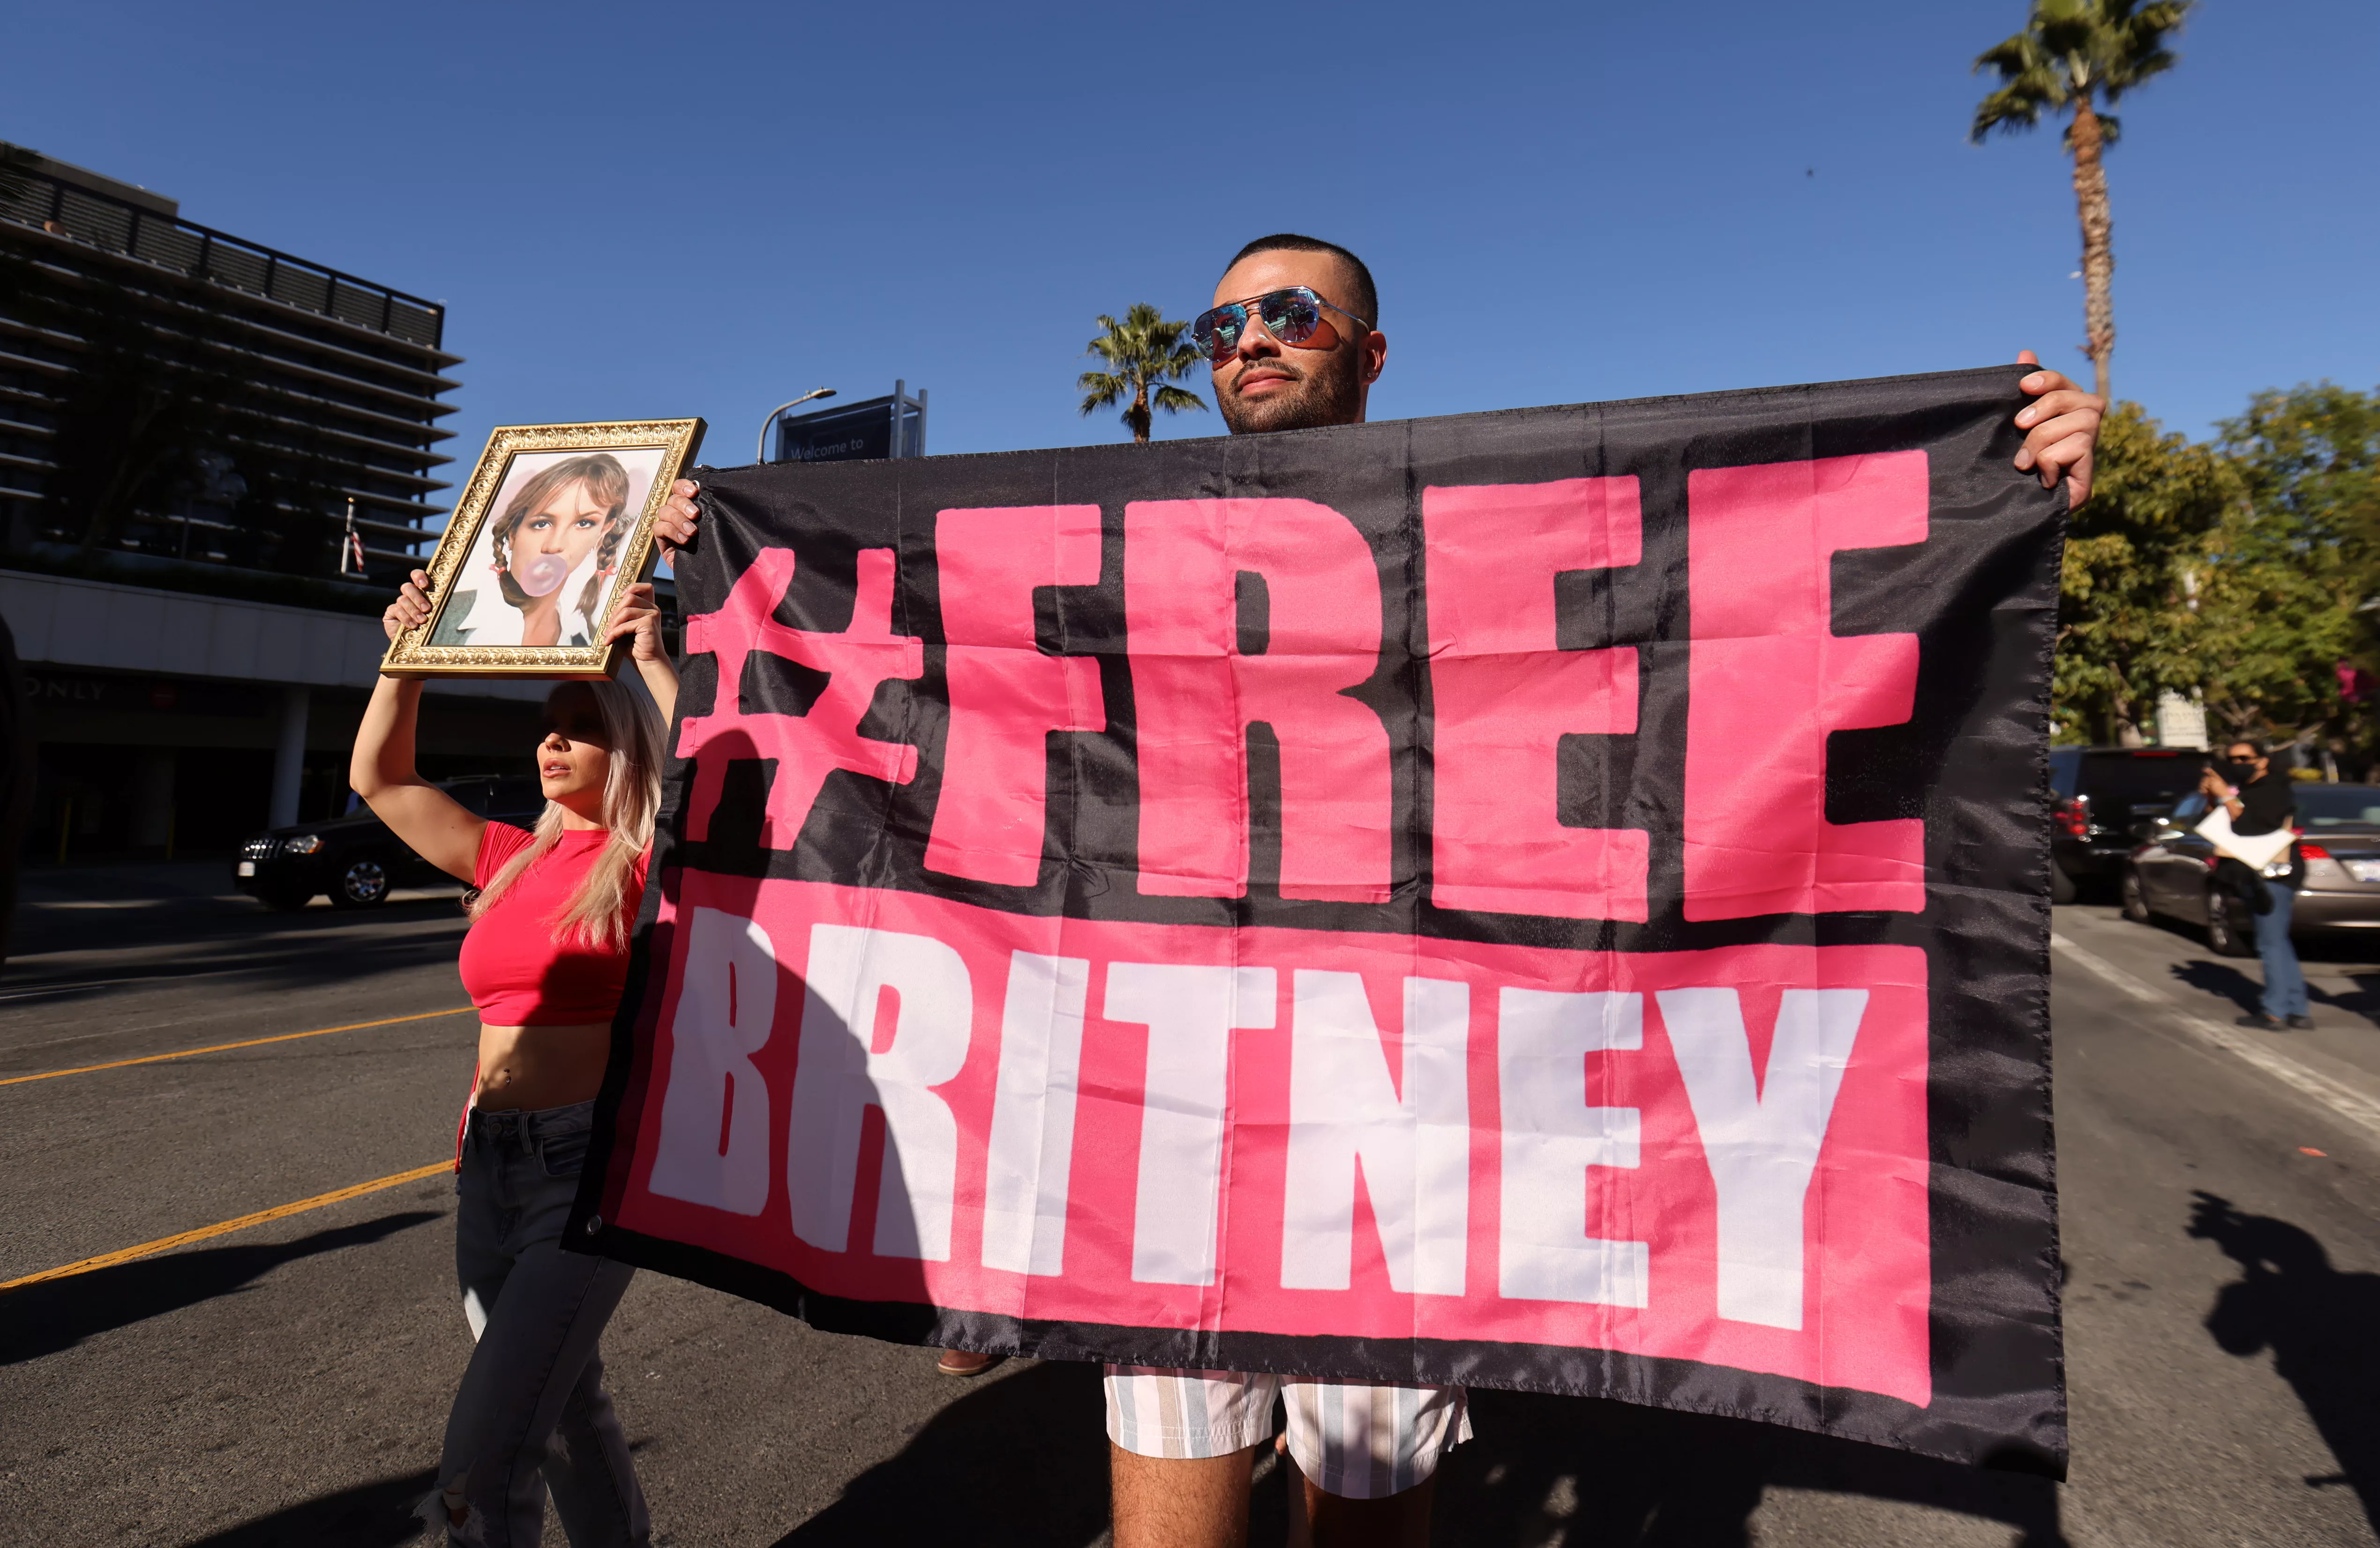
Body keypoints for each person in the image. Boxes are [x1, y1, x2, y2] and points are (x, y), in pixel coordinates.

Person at [642, 232, 2107, 1548]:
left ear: (1368, 349)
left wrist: (2006, 465)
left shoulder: (1462, 530)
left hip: (1395, 1143)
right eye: (1221, 327)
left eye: (1288, 313)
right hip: (1165, 1135)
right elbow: (934, 671)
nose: (1249, 343)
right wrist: (714, 555)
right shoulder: (1102, 536)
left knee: (1368, 1535)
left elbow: (1735, 601)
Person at [358, 567, 677, 1547]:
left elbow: (704, 781)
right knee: (568, 1414)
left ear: (622, 739)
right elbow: (382, 781)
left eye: (577, 721)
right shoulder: (510, 855)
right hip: (487, 1164)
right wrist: (403, 661)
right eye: (546, 720)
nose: (550, 737)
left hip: (586, 1172)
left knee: (480, 1465)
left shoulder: (648, 860)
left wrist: (653, 664)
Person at [432, 452, 637, 648]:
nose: (554, 545)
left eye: (584, 523)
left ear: (603, 530)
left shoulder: (587, 640)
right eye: (542, 524)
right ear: (513, 534)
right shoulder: (442, 618)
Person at [2201, 737, 2309, 1029]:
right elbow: (2217, 824)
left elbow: (2251, 827)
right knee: (2277, 942)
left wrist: (2225, 795)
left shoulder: (2275, 788)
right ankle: (2297, 1009)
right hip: (2255, 872)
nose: (2238, 765)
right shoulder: (2248, 790)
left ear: (2262, 761)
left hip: (2273, 872)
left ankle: (2275, 1011)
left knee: (2269, 944)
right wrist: (2213, 796)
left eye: (2245, 759)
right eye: (2233, 760)